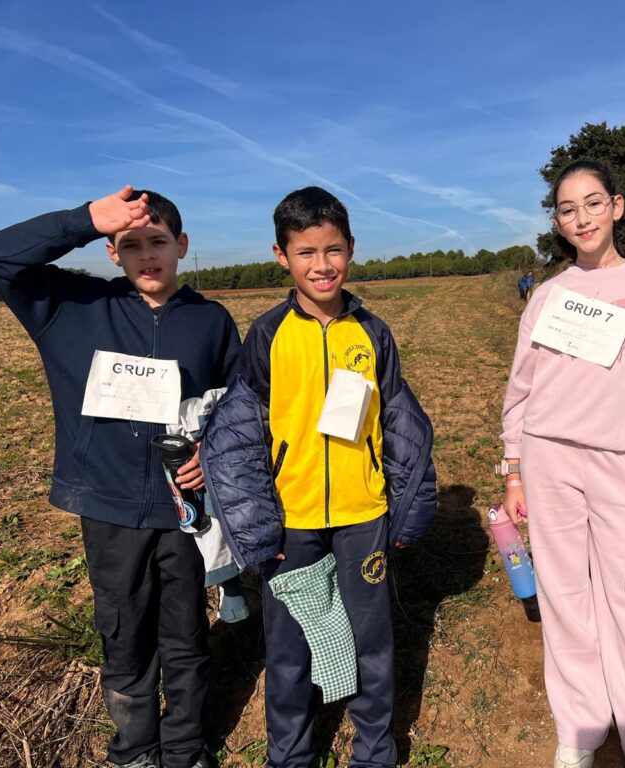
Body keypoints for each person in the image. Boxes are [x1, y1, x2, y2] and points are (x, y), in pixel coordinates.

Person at [0, 187, 241, 768]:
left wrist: (212, 455)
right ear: (112, 252)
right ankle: (135, 750)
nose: (147, 255)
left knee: (186, 633)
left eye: (158, 241)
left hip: (183, 508)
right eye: (131, 244)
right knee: (124, 635)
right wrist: (85, 220)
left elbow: (236, 406)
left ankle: (186, 748)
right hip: (109, 509)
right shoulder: (71, 309)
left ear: (182, 246)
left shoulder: (212, 321)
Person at [201, 186, 437, 768]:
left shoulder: (373, 332)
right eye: (306, 252)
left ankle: (374, 752)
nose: (322, 265)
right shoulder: (267, 334)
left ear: (351, 248)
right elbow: (239, 437)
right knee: (289, 649)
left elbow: (402, 426)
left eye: (333, 250)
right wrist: (258, 528)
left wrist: (407, 509)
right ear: (281, 256)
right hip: (294, 522)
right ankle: (289, 755)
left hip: (363, 515)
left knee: (371, 640)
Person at [500, 160, 625, 768]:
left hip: (622, 463)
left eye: (592, 203)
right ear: (557, 223)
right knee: (563, 598)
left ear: (617, 206)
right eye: (567, 209)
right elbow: (521, 387)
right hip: (548, 458)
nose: (581, 218)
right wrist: (513, 468)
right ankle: (581, 727)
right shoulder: (548, 295)